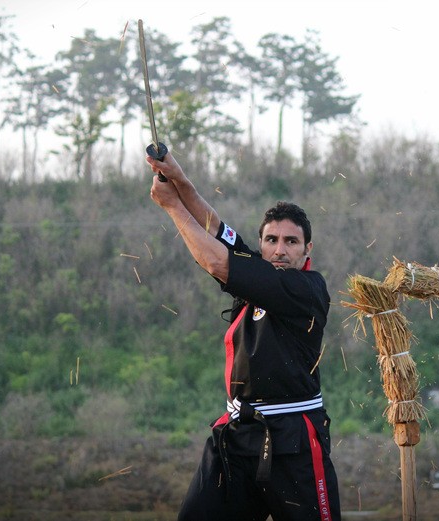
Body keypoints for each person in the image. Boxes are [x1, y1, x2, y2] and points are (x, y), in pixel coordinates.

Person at [146, 152, 341, 521]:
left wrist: (172, 207)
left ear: (307, 250)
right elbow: (215, 229)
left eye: (291, 241)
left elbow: (216, 261)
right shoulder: (256, 269)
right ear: (260, 244)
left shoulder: (306, 289)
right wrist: (180, 179)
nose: (280, 250)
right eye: (271, 240)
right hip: (238, 435)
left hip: (293, 442)